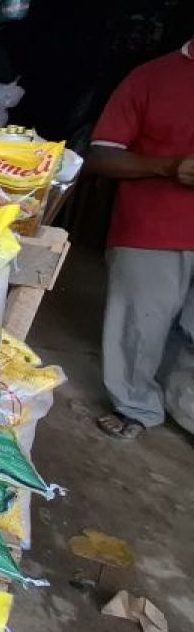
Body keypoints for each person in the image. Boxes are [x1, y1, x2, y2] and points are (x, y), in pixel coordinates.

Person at [86, 36, 194, 439]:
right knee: (140, 327)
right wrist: (168, 167)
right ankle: (136, 406)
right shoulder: (151, 77)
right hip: (153, 227)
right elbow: (101, 155)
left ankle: (186, 410)